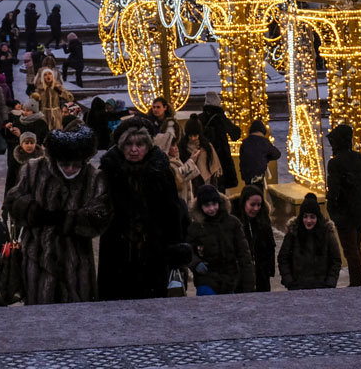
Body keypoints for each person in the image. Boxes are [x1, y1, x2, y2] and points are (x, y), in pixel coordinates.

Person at [5, 126, 111, 304]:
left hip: (76, 262)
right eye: (64, 163)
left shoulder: (93, 177)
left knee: (76, 316)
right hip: (37, 257)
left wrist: (69, 219)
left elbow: (101, 215)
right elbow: (13, 201)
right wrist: (33, 212)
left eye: (76, 164)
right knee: (40, 314)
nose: (70, 169)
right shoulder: (33, 170)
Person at [98, 117, 190, 300]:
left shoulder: (161, 171)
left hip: (155, 254)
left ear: (148, 146)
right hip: (117, 255)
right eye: (128, 144)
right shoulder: (110, 171)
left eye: (140, 144)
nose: (134, 149)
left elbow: (173, 214)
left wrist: (176, 254)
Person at [325, 123, 361, 287]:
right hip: (358, 211)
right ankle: (357, 281)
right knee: (356, 248)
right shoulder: (360, 158)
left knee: (351, 250)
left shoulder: (335, 163)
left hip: (344, 212)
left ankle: (356, 283)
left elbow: (333, 190)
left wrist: (333, 207)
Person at [187, 184, 254, 295]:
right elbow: (188, 251)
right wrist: (196, 263)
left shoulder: (232, 223)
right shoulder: (196, 227)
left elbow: (244, 254)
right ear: (200, 207)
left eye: (214, 204)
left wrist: (249, 283)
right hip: (206, 277)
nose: (212, 209)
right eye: (207, 205)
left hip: (230, 277)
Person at [278, 193, 341, 291]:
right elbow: (283, 258)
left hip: (322, 287)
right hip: (298, 287)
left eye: (312, 217)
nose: (308, 220)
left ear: (318, 217)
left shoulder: (327, 233)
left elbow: (335, 260)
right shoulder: (293, 233)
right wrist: (289, 281)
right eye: (305, 216)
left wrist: (330, 283)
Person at [231, 185, 276, 292]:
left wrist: (269, 270)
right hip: (240, 276)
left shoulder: (264, 220)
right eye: (252, 205)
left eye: (259, 205)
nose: (256, 208)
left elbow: (270, 246)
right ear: (244, 203)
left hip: (262, 275)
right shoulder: (233, 221)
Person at [199, 91, 242, 191]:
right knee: (220, 188)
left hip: (204, 157)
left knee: (205, 186)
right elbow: (235, 135)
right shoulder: (221, 118)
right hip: (221, 159)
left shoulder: (199, 118)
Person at [180, 116, 222, 195]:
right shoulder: (182, 147)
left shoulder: (207, 147)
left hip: (206, 182)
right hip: (189, 183)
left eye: (195, 135)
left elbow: (213, 167)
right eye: (190, 135)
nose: (192, 138)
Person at [238, 119, 280, 188]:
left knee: (249, 191)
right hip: (259, 174)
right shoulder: (264, 142)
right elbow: (277, 154)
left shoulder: (245, 142)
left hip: (247, 174)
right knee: (258, 192)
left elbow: (242, 157)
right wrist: (266, 158)